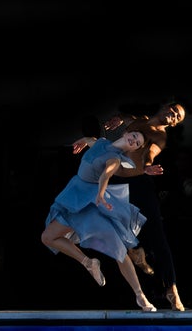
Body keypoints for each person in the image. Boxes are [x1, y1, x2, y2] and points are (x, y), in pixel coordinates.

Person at [72, 101, 187, 311]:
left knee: (157, 235)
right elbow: (129, 119)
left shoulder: (160, 136)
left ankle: (171, 288)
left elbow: (150, 152)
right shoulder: (140, 121)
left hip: (138, 180)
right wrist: (120, 120)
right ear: (163, 107)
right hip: (115, 178)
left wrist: (148, 167)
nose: (172, 115)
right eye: (172, 110)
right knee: (112, 224)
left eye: (176, 117)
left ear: (174, 124)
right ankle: (135, 251)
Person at [41, 130, 157, 312]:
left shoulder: (115, 158)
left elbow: (106, 174)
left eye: (136, 143)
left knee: (118, 249)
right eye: (134, 136)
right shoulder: (102, 142)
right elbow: (91, 141)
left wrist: (101, 192)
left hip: (88, 201)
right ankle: (88, 263)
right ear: (127, 133)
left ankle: (140, 295)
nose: (133, 140)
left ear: (132, 149)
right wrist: (82, 140)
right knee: (48, 237)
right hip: (73, 195)